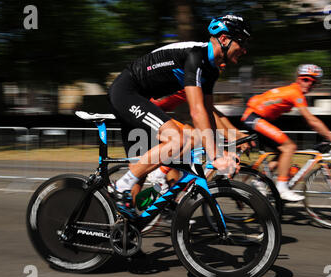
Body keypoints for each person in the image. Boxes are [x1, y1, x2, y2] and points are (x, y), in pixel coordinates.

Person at [107, 14, 251, 229]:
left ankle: (125, 233)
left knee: (141, 184)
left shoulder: (211, 69)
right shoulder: (196, 55)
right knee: (177, 139)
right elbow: (196, 110)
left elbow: (209, 113)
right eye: (241, 42)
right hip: (127, 92)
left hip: (140, 99)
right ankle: (119, 187)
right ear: (224, 38)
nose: (244, 49)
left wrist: (221, 149)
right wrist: (215, 155)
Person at [241, 64, 331, 201]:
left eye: (313, 82)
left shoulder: (293, 91)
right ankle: (281, 189)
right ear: (298, 79)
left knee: (283, 152)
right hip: (254, 118)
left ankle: (259, 181)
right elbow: (311, 120)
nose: (309, 84)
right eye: (305, 79)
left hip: (256, 118)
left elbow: (309, 121)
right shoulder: (295, 93)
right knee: (290, 147)